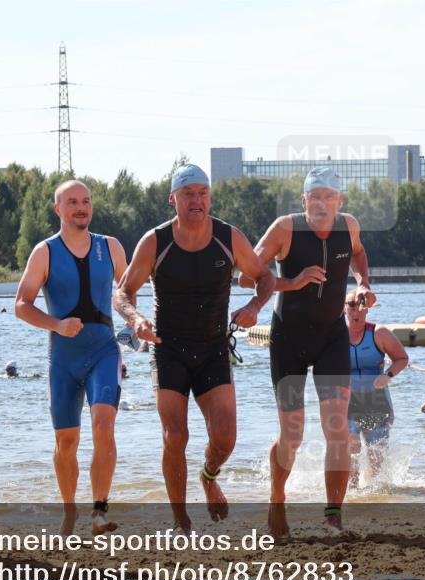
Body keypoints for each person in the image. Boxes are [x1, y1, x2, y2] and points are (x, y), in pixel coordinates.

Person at [113, 164, 274, 532]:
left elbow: (266, 277)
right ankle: (180, 517)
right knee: (175, 436)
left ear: (210, 197)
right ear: (173, 199)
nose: (196, 200)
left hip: (214, 347)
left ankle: (208, 475)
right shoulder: (155, 241)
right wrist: (135, 319)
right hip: (168, 348)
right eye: (188, 194)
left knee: (226, 436)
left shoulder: (228, 237)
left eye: (202, 193)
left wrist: (253, 307)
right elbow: (122, 291)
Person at [241, 167, 376, 536]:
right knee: (293, 434)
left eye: (328, 197)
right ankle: (277, 498)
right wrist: (293, 281)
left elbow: (359, 255)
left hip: (332, 336)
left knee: (339, 428)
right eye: (313, 197)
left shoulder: (349, 226)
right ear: (304, 201)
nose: (320, 203)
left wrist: (363, 283)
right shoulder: (285, 229)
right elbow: (246, 276)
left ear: (339, 201)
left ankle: (333, 517)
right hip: (288, 340)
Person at [15, 180, 126, 536]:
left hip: (104, 351)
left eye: (86, 201)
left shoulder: (110, 247)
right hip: (63, 357)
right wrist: (57, 325)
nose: (81, 207)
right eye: (72, 202)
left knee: (103, 425)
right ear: (57, 209)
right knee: (66, 441)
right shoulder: (44, 252)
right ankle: (69, 512)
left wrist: (136, 327)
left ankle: (99, 512)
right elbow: (21, 305)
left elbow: (127, 295)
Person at [345, 289, 408, 485]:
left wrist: (387, 375)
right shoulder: (335, 336)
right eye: (352, 305)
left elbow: (402, 359)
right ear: (344, 309)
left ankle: (372, 497)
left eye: (361, 306)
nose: (356, 311)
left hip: (376, 399)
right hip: (348, 400)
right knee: (351, 448)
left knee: (376, 457)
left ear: (367, 309)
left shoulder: (379, 333)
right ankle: (352, 492)